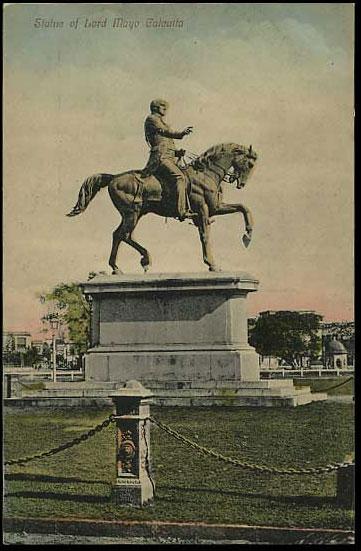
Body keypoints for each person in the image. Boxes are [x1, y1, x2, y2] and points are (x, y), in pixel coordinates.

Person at [142, 99, 196, 221]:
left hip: (169, 157)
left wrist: (177, 152)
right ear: (156, 108)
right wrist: (181, 133)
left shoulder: (160, 121)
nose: (165, 109)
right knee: (180, 177)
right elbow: (167, 133)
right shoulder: (152, 119)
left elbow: (165, 142)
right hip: (160, 158)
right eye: (163, 107)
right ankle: (181, 211)